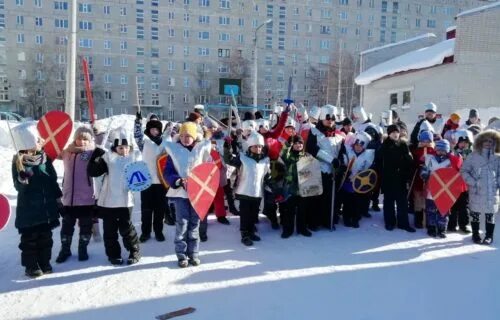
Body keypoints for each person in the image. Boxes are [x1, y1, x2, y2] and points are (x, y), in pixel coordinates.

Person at [11, 122, 62, 278]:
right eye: (38, 141)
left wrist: (59, 200)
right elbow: (19, 187)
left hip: (46, 209)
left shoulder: (44, 159)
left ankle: (44, 262)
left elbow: (52, 180)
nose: (42, 142)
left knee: (46, 239)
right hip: (29, 212)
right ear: (29, 145)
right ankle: (31, 266)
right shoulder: (19, 162)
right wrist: (22, 180)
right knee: (30, 241)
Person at [88, 128, 141, 265]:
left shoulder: (134, 158)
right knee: (109, 231)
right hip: (108, 202)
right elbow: (93, 172)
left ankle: (134, 250)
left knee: (127, 228)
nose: (124, 150)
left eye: (126, 147)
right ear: (115, 147)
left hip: (125, 202)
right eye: (120, 147)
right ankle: (113, 254)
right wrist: (96, 154)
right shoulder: (108, 159)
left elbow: (140, 179)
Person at [163, 122, 212, 267]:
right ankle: (181, 254)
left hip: (197, 194)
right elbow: (168, 172)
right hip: (180, 194)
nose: (185, 138)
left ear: (194, 136)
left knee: (194, 224)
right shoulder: (174, 151)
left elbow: (208, 169)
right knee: (182, 224)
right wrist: (177, 180)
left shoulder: (201, 150)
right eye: (183, 135)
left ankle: (194, 253)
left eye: (188, 136)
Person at [56, 126, 96, 263]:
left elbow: (105, 152)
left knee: (85, 226)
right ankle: (65, 249)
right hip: (69, 198)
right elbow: (53, 151)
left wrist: (97, 130)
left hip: (86, 198)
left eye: (86, 139)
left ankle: (82, 249)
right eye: (80, 138)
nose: (82, 141)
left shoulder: (92, 153)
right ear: (75, 139)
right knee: (67, 226)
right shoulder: (67, 152)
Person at [224, 131, 270, 246]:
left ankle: (251, 231)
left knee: (253, 214)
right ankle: (244, 233)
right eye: (256, 146)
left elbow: (267, 176)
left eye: (260, 146)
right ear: (250, 147)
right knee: (245, 214)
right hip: (244, 191)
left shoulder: (265, 160)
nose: (258, 149)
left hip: (257, 192)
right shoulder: (243, 158)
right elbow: (229, 159)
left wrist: (272, 186)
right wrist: (228, 146)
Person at [305, 105, 344, 230]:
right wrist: (331, 160)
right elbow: (312, 149)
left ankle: (328, 220)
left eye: (332, 118)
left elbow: (341, 151)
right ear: (322, 118)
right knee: (315, 197)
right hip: (317, 169)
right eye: (328, 118)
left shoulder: (338, 135)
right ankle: (313, 222)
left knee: (330, 197)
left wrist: (340, 162)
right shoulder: (314, 132)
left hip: (332, 172)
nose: (330, 120)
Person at [134, 111, 170, 242]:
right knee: (146, 209)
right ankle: (145, 232)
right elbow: (137, 136)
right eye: (152, 129)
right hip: (146, 182)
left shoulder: (165, 143)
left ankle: (159, 231)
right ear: (148, 130)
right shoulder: (145, 142)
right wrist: (137, 122)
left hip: (161, 182)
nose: (154, 131)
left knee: (160, 209)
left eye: (157, 129)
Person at [460, 130, 500, 245]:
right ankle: (475, 234)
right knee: (475, 213)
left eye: (491, 141)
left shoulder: (497, 157)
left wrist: (498, 182)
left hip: (492, 191)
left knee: (490, 214)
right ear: (480, 142)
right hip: (477, 190)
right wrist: (473, 182)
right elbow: (464, 171)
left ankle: (489, 236)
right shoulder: (473, 156)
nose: (488, 143)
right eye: (486, 140)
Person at [420, 139, 464, 238]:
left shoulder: (450, 161)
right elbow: (424, 169)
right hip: (431, 189)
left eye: (443, 150)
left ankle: (442, 228)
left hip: (445, 191)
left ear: (447, 150)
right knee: (430, 209)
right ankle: (431, 227)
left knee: (443, 210)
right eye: (439, 149)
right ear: (436, 149)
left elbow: (454, 174)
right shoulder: (430, 159)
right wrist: (424, 175)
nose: (441, 152)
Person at [376, 124, 415, 232]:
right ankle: (390, 222)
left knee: (402, 202)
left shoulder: (403, 144)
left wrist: (408, 161)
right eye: (393, 132)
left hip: (401, 178)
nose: (395, 134)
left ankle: (404, 223)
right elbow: (378, 160)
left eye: (397, 132)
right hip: (388, 178)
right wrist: (381, 175)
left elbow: (409, 160)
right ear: (389, 134)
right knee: (389, 202)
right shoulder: (384, 145)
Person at [279, 135, 313, 238]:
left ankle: (302, 228)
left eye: (300, 143)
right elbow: (284, 153)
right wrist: (288, 143)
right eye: (296, 143)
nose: (299, 145)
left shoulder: (307, 156)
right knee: (289, 210)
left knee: (302, 210)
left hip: (303, 187)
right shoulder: (289, 156)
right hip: (291, 188)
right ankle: (287, 230)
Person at [338, 132, 374, 228]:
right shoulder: (348, 151)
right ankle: (346, 218)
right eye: (356, 145)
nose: (358, 147)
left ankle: (355, 218)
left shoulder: (368, 155)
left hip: (359, 183)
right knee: (347, 201)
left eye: (360, 146)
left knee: (357, 202)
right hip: (348, 181)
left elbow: (368, 170)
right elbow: (344, 163)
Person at [448, 130, 473, 233]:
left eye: (465, 142)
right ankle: (452, 224)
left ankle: (464, 224)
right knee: (453, 204)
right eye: (461, 142)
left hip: (465, 183)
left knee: (464, 205)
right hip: (453, 182)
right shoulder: (452, 153)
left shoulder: (472, 154)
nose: (463, 144)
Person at [410, 130, 436, 228]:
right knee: (418, 200)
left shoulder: (434, 151)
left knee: (428, 201)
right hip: (418, 179)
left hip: (430, 180)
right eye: (424, 140)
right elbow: (412, 163)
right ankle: (418, 220)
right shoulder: (416, 151)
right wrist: (418, 163)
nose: (426, 142)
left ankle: (428, 220)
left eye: (428, 140)